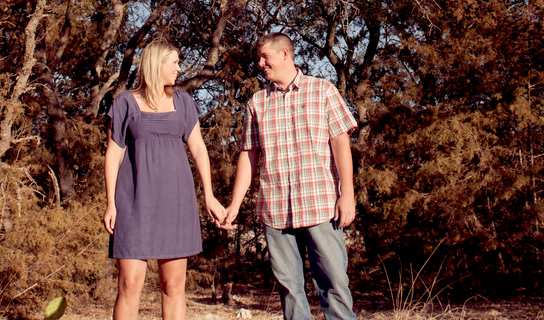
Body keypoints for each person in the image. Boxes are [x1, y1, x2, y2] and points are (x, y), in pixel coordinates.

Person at [221, 33, 357, 320]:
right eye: (258, 58)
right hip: (275, 210)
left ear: (285, 54)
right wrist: (235, 203)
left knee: (334, 285)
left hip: (321, 206)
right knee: (290, 291)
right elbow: (249, 154)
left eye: (265, 57)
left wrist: (347, 194)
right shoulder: (257, 103)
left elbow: (341, 144)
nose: (260, 63)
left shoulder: (323, 91)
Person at [104, 39, 224, 320]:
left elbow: (199, 149)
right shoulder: (124, 102)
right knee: (129, 284)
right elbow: (113, 154)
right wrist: (111, 203)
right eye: (175, 62)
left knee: (172, 286)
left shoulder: (183, 102)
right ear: (156, 64)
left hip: (176, 204)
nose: (179, 69)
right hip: (134, 203)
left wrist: (209, 195)